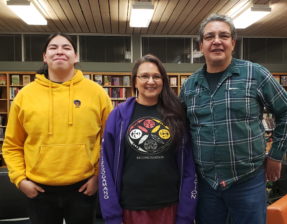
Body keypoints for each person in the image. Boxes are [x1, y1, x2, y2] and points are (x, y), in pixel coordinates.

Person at [179, 14, 287, 224]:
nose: (216, 41)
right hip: (206, 183)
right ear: (201, 45)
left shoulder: (255, 74)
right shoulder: (190, 86)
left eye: (223, 35)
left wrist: (276, 156)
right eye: (210, 36)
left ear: (232, 43)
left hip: (247, 181)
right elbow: (182, 128)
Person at [2, 33, 113, 224]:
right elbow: (12, 144)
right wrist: (20, 180)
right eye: (53, 48)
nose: (60, 51)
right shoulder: (25, 96)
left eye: (66, 47)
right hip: (38, 189)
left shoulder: (97, 93)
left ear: (76, 57)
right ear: (44, 57)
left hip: (84, 187)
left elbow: (109, 141)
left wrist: (97, 177)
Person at [99, 54, 197, 224]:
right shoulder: (118, 115)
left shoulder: (176, 115)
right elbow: (106, 165)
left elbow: (188, 165)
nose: (150, 81)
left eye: (156, 76)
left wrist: (185, 214)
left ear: (163, 81)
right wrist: (112, 215)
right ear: (135, 81)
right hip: (130, 208)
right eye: (144, 76)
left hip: (169, 207)